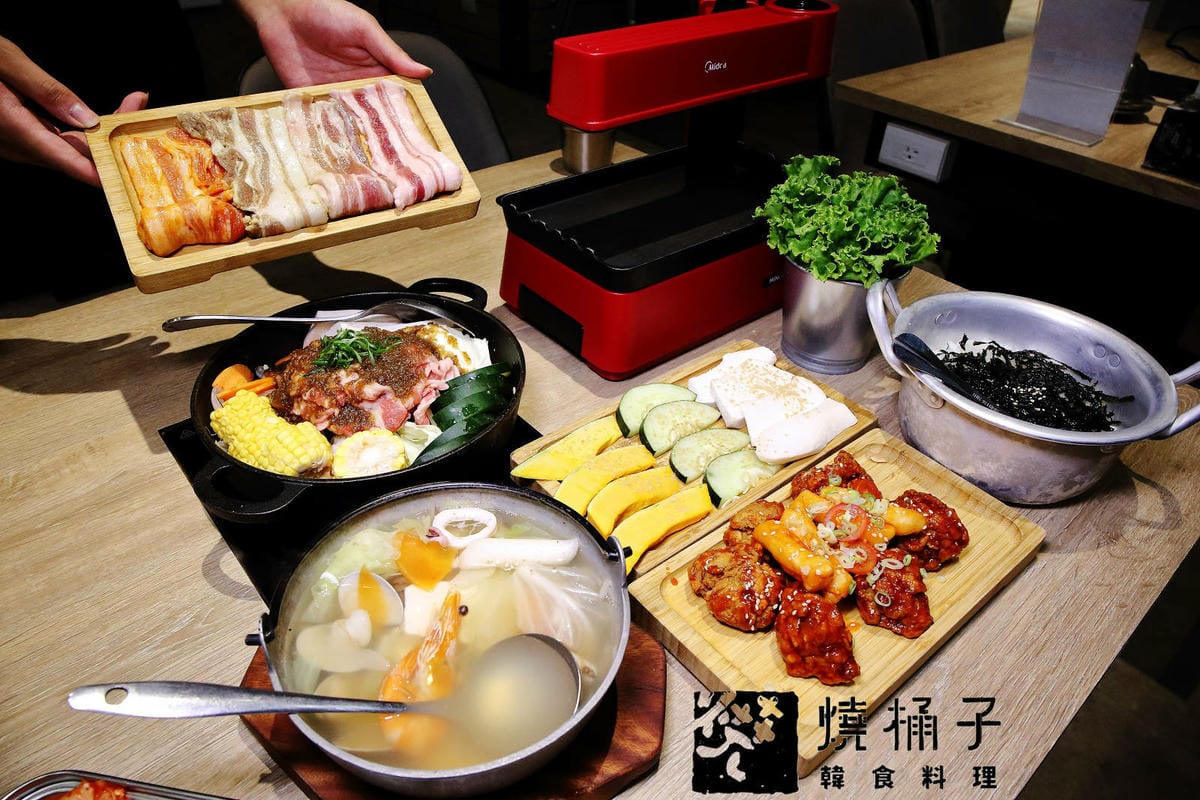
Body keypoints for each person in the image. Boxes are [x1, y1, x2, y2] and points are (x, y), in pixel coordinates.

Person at [0, 0, 431, 299]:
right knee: (76, 267)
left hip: (143, 41)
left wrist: (275, 5)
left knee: (211, 170)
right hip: (15, 93)